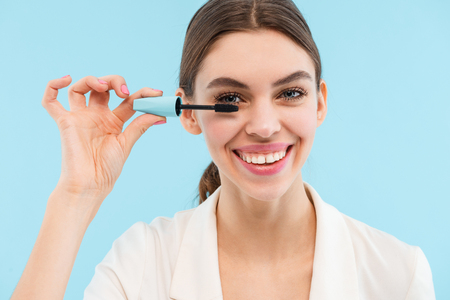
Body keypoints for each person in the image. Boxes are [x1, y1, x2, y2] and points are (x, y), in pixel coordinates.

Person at [11, 0, 435, 299]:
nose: (266, 126)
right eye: (231, 100)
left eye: (290, 92)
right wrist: (75, 197)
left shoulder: (397, 274)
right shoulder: (141, 264)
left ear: (319, 102)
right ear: (189, 113)